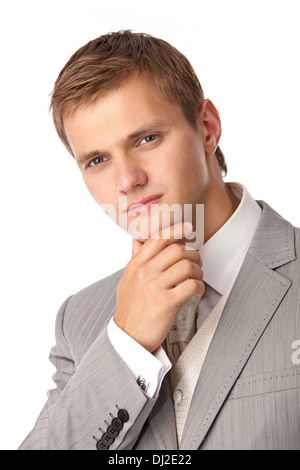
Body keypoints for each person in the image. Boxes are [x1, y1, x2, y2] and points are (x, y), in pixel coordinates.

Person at [19, 30, 300, 451]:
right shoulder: (80, 319)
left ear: (207, 128)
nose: (127, 180)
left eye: (146, 139)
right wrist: (127, 344)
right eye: (97, 160)